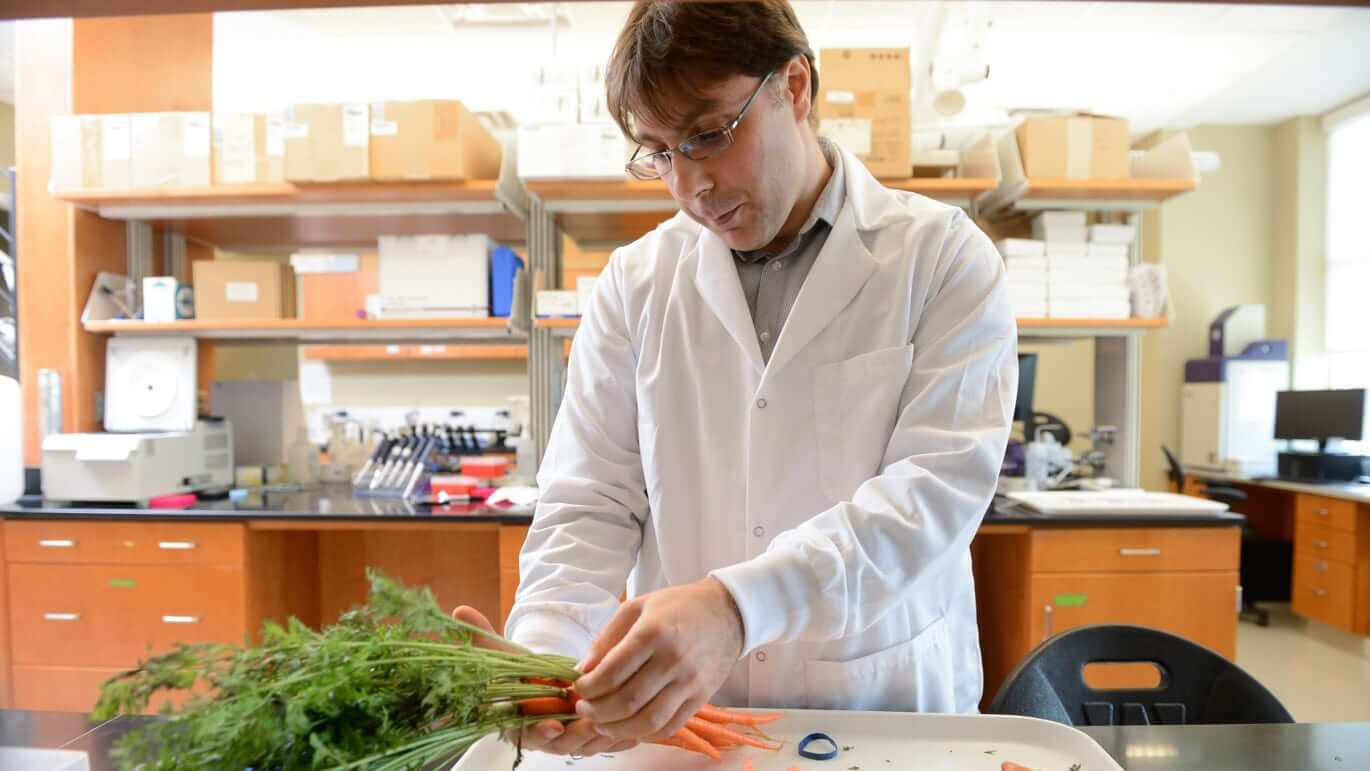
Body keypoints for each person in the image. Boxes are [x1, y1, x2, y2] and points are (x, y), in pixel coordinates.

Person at [454, 0, 1017, 758]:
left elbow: (930, 500)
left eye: (709, 135)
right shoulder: (635, 283)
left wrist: (736, 608)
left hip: (880, 706)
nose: (690, 186)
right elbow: (589, 501)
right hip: (692, 722)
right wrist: (550, 654)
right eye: (658, 152)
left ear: (794, 86)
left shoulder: (943, 260)